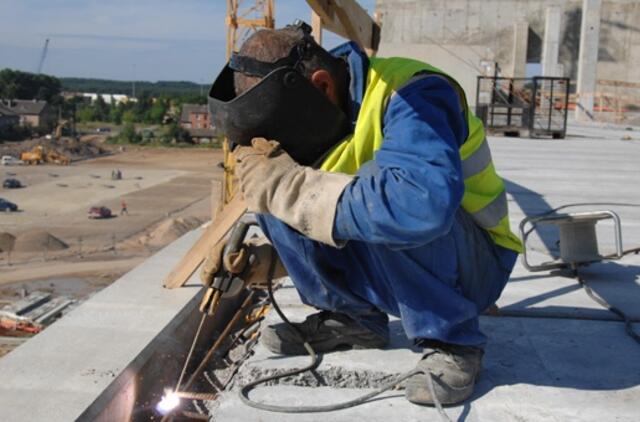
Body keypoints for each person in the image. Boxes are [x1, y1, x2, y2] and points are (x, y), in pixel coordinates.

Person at [205, 21, 522, 406]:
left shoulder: (415, 94)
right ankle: (352, 320)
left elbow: (420, 207)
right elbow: (318, 205)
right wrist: (267, 260)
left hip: (473, 266)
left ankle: (452, 341)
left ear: (322, 86)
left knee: (385, 196)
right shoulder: (318, 109)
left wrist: (288, 188)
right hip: (410, 254)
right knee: (277, 186)